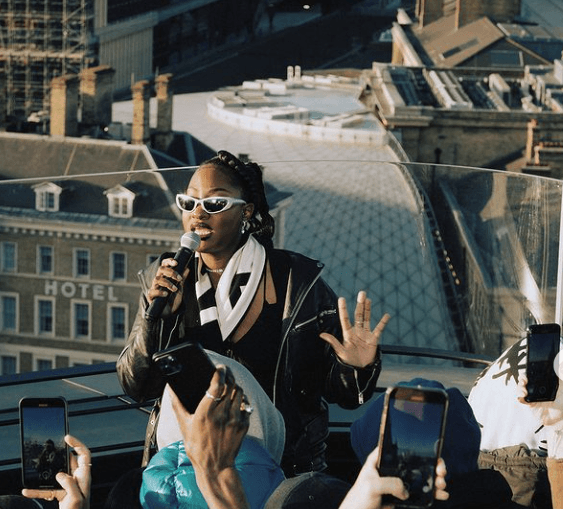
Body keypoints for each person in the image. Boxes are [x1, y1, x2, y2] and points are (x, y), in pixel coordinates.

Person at [117, 149, 390, 475]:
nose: (197, 214)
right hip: (190, 464)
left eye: (214, 204)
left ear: (246, 212)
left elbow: (346, 396)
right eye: (188, 203)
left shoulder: (296, 281)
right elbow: (137, 387)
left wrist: (355, 367)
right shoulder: (164, 280)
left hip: (282, 465)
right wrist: (155, 319)